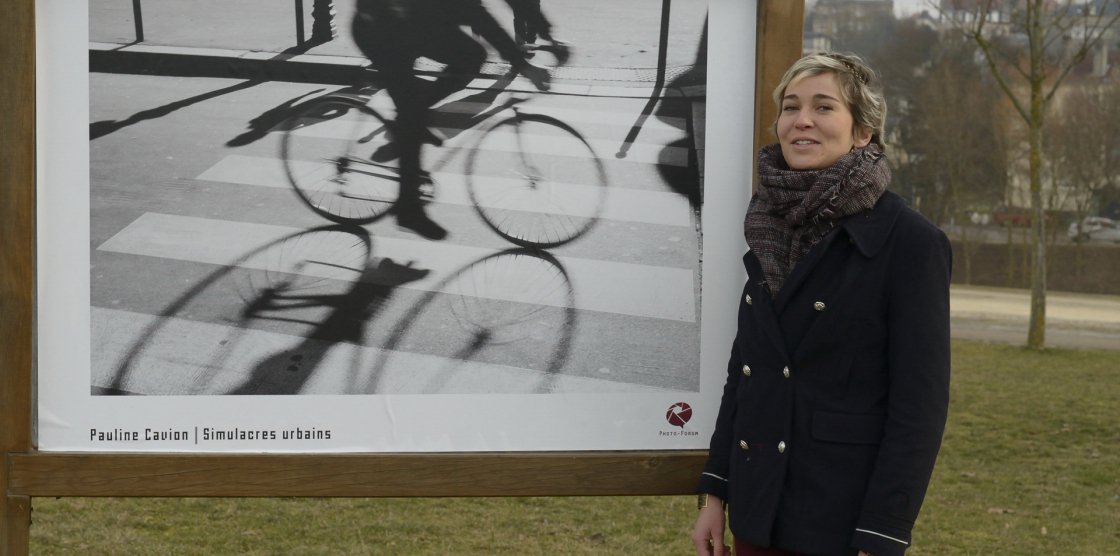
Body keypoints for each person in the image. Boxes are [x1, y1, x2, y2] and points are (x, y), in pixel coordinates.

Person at [690, 52, 952, 556]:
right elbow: (746, 371)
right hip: (757, 514)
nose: (801, 120)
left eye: (824, 106)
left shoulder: (912, 243)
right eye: (791, 107)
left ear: (863, 132)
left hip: (841, 523)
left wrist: (883, 531)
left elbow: (919, 408)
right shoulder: (768, 224)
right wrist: (716, 492)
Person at [351, 0, 567, 240]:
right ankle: (408, 210)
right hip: (380, 29)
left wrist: (547, 33)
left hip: (418, 21)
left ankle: (413, 118)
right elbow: (480, 17)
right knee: (411, 115)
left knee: (472, 56)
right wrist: (523, 65)